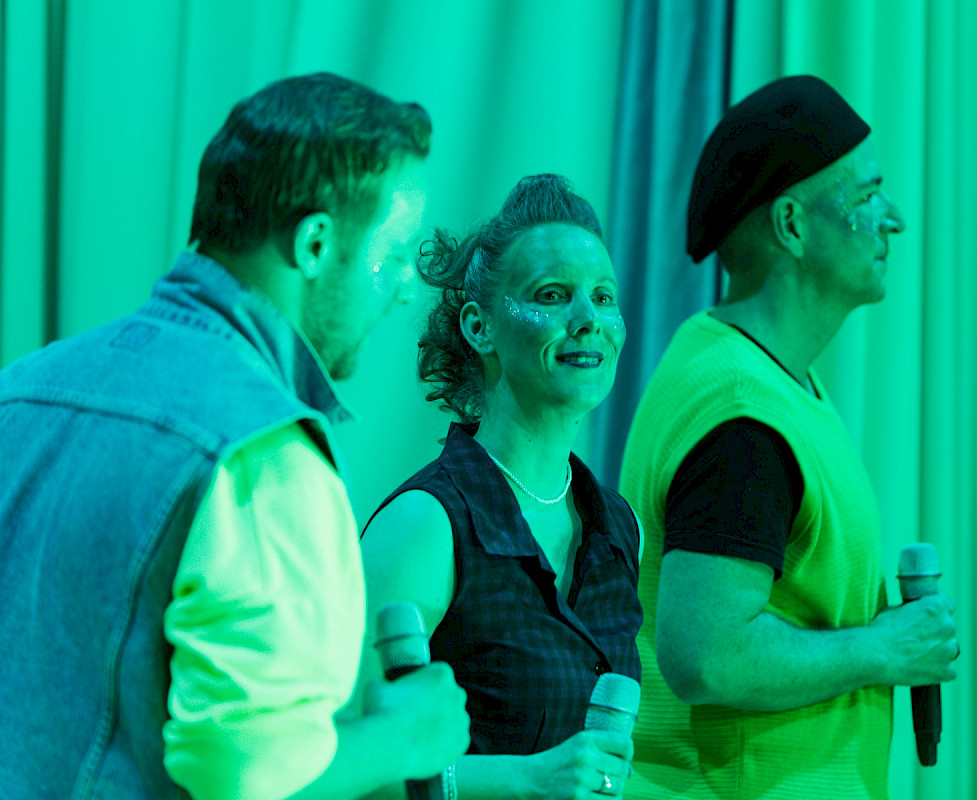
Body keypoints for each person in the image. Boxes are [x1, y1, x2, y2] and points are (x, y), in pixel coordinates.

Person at [0, 73, 469, 800]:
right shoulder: (265, 455)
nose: (406, 286)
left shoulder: (18, 392)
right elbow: (249, 780)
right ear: (316, 243)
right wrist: (407, 736)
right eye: (394, 253)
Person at [619, 75, 959, 799]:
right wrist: (884, 648)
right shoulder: (743, 418)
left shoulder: (762, 381)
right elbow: (708, 656)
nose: (894, 219)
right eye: (868, 196)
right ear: (793, 225)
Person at [358, 174, 643, 799]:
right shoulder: (425, 525)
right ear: (479, 327)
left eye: (603, 297)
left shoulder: (619, 527)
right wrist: (527, 780)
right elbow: (338, 766)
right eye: (552, 295)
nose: (588, 320)